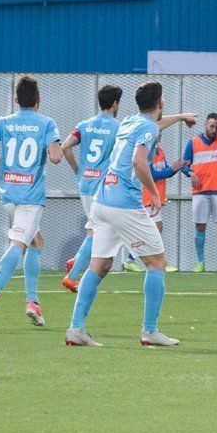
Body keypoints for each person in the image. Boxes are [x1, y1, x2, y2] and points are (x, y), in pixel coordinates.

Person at [64, 81, 197, 347]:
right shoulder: (146, 126)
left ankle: (75, 330)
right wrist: (155, 194)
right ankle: (150, 331)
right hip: (125, 204)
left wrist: (181, 118)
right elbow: (138, 161)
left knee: (99, 266)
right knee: (157, 262)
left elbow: (154, 125)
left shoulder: (128, 122)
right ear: (160, 102)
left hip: (102, 201)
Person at [0, 77, 63, 327]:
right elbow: (56, 157)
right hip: (30, 197)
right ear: (39, 99)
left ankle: (33, 302)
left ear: (16, 100)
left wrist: (0, 163)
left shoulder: (4, 121)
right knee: (19, 243)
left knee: (36, 242)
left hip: (8, 194)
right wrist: (51, 149)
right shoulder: (46, 122)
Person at [60, 85, 123, 293]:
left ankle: (75, 261)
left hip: (85, 184)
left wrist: (78, 170)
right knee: (95, 232)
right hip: (102, 188)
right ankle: (72, 276)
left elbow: (65, 146)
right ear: (115, 104)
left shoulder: (85, 125)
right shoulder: (118, 127)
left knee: (92, 228)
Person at [182, 113, 217, 273]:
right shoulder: (193, 142)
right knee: (200, 226)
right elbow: (184, 164)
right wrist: (191, 173)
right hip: (200, 192)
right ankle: (200, 263)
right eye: (212, 126)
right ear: (205, 126)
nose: (214, 130)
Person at [143, 136, 189, 272]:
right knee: (155, 229)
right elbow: (150, 174)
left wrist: (177, 167)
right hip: (147, 197)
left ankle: (130, 259)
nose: (160, 135)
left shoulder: (160, 151)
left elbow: (165, 172)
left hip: (156, 197)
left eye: (161, 132)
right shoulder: (146, 152)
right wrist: (171, 170)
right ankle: (159, 263)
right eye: (158, 132)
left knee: (152, 231)